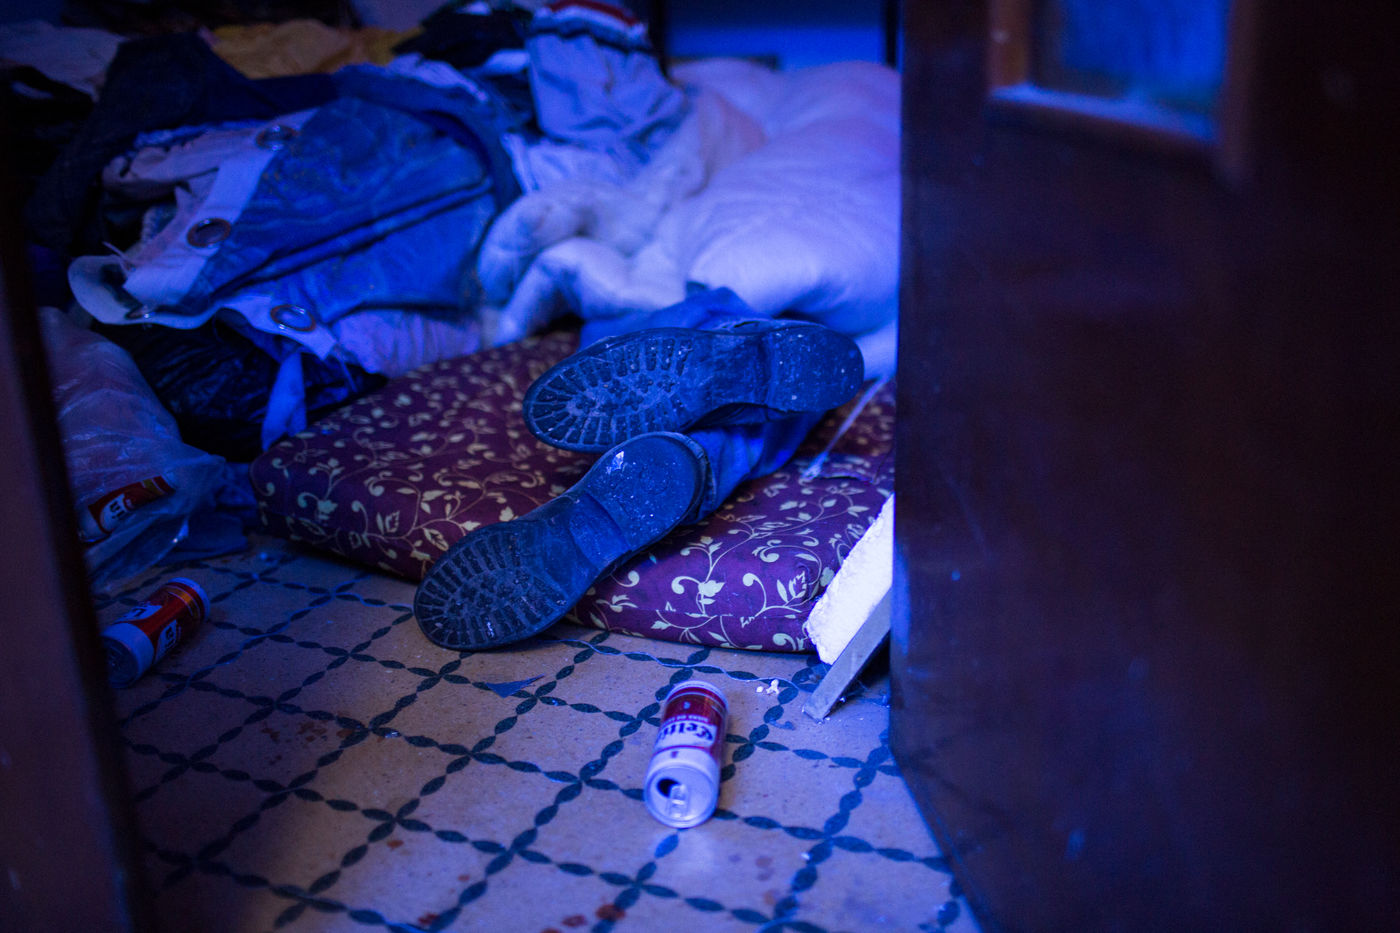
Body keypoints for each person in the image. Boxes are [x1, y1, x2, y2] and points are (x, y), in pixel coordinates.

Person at [412, 288, 866, 650]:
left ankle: (705, 422)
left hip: (664, 321)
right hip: (726, 329)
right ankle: (699, 448)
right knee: (757, 423)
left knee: (685, 332)